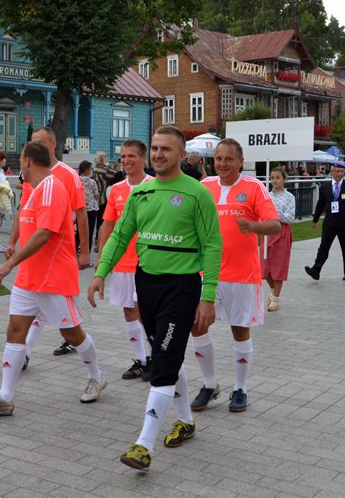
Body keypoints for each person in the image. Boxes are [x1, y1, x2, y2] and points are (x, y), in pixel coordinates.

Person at [88, 125, 221, 471]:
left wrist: (208, 297)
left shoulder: (197, 193)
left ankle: (143, 445)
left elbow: (212, 245)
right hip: (146, 284)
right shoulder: (141, 193)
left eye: (166, 149)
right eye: (156, 148)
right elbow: (120, 236)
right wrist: (101, 272)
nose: (159, 154)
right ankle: (186, 420)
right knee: (166, 355)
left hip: (182, 288)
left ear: (181, 155)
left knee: (162, 361)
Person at [0, 142, 106, 416]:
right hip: (28, 278)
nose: (20, 165)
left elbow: (44, 233)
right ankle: (5, 397)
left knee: (71, 333)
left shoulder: (52, 188)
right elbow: (25, 222)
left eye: (21, 160)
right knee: (15, 329)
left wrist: (9, 264)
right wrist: (13, 246)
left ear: (28, 162)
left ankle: (96, 376)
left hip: (53, 278)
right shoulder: (35, 188)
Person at [192, 139, 281, 414]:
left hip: (242, 275)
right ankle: (209, 385)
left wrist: (252, 226)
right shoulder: (204, 186)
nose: (222, 164)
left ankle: (240, 389)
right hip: (207, 274)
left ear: (240, 162)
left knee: (239, 330)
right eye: (218, 158)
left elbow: (275, 225)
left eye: (229, 159)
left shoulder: (253, 187)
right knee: (196, 325)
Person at [11, 127, 90, 362]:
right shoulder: (31, 174)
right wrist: (12, 241)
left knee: (66, 323)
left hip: (57, 258)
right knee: (29, 312)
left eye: (41, 142)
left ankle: (88, 363)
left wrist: (84, 252)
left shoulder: (67, 175)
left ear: (53, 144)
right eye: (32, 142)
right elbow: (23, 210)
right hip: (32, 260)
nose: (35, 147)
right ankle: (23, 355)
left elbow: (81, 213)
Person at [95, 140, 153, 380]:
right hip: (122, 263)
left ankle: (155, 358)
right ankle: (142, 359)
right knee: (129, 310)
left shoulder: (155, 186)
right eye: (123, 157)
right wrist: (102, 260)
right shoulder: (116, 189)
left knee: (145, 312)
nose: (126, 161)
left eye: (132, 156)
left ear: (143, 159)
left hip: (148, 263)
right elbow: (107, 225)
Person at [305, 162, 345, 282]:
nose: (340, 174)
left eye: (342, 172)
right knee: (323, 248)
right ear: (332, 172)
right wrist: (315, 220)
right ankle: (316, 270)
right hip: (330, 223)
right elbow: (320, 204)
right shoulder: (325, 187)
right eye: (337, 171)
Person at [260, 167, 296, 311]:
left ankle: (275, 298)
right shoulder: (266, 196)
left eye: (277, 178)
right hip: (267, 233)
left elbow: (289, 218)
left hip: (281, 233)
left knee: (279, 266)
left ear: (284, 179)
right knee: (264, 267)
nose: (274, 180)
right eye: (272, 178)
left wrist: (275, 211)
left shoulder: (290, 197)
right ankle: (273, 289)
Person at [92, 152, 115, 246]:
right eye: (105, 157)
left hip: (98, 198)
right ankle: (100, 241)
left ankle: (98, 240)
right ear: (101, 159)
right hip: (104, 198)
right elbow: (117, 174)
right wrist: (117, 166)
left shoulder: (95, 169)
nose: (107, 159)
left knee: (99, 221)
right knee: (104, 221)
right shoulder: (103, 170)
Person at [78, 160, 99, 254]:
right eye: (90, 169)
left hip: (79, 208)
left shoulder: (76, 181)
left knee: (79, 231)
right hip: (91, 209)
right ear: (86, 170)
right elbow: (96, 195)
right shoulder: (92, 182)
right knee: (89, 232)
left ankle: (77, 249)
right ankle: (86, 252)